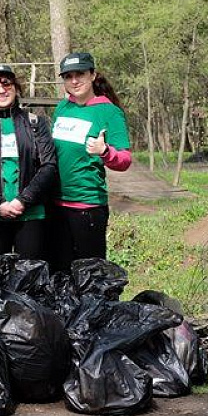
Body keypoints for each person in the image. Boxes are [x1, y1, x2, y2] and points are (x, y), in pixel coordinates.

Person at [47, 52, 132, 267]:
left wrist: (105, 151)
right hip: (55, 205)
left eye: (80, 74)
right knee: (59, 272)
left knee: (89, 274)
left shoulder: (109, 112)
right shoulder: (62, 107)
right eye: (68, 76)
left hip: (87, 206)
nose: (74, 81)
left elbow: (125, 159)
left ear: (92, 75)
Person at [0, 65, 57, 260]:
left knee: (29, 272)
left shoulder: (35, 124)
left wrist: (23, 200)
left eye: (6, 84)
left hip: (31, 213)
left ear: (16, 88)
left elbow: (48, 166)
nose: (1, 90)